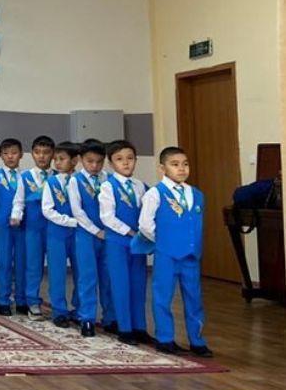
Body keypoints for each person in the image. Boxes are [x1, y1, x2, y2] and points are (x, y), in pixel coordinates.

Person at [139, 146, 211, 357]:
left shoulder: (196, 194)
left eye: (185, 164)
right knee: (163, 297)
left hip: (191, 256)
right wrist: (162, 241)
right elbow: (145, 224)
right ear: (162, 168)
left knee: (194, 298)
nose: (181, 169)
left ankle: (197, 340)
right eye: (175, 164)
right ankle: (165, 338)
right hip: (167, 255)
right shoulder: (155, 193)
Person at [99, 139, 149, 345]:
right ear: (111, 163)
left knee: (139, 284)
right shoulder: (108, 186)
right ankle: (124, 328)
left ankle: (140, 327)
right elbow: (107, 217)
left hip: (138, 243)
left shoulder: (141, 186)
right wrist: (129, 231)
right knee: (121, 284)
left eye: (130, 158)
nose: (126, 163)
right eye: (119, 159)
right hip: (117, 242)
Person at [68, 140, 109, 338]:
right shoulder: (75, 181)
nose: (94, 166)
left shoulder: (108, 179)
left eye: (99, 162)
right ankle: (86, 318)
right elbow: (77, 211)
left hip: (108, 234)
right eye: (90, 161)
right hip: (86, 234)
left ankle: (110, 317)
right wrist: (95, 230)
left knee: (108, 277)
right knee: (87, 277)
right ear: (81, 160)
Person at [12, 135, 54, 320]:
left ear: (52, 154)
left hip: (54, 227)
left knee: (55, 267)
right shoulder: (25, 176)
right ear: (32, 154)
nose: (41, 156)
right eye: (37, 152)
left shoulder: (57, 176)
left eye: (46, 152)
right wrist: (16, 216)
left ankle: (58, 304)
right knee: (33, 265)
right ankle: (32, 302)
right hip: (32, 227)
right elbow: (19, 200)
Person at [42, 142, 80, 327]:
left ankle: (80, 309)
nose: (57, 163)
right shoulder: (51, 182)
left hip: (80, 234)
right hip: (57, 233)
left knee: (81, 272)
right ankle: (59, 311)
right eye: (55, 159)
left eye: (62, 159)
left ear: (74, 160)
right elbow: (47, 209)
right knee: (57, 273)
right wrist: (70, 221)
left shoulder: (81, 181)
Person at [0, 138, 24, 316]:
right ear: (1, 156)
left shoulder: (24, 176)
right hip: (1, 224)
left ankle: (22, 300)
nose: (10, 157)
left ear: (21, 155)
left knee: (22, 262)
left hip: (22, 225)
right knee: (3, 262)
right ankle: (3, 300)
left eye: (14, 153)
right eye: (6, 153)